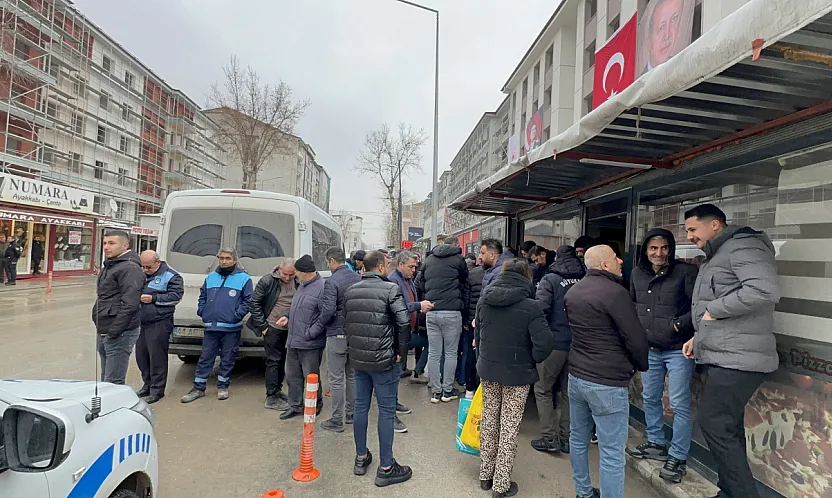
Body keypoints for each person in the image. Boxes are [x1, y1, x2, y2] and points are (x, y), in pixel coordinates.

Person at [682, 204, 780, 498]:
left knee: (713, 423)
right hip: (726, 353)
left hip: (740, 359)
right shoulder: (716, 255)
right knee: (728, 428)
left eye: (692, 229)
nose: (689, 236)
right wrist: (697, 337)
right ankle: (729, 492)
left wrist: (714, 310)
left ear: (714, 225)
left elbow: (764, 290)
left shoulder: (743, 246)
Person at [565, 245, 649, 498]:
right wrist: (640, 365)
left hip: (577, 376)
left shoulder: (573, 292)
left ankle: (583, 492)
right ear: (604, 265)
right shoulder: (616, 293)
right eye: (615, 258)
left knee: (578, 439)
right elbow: (634, 337)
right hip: (608, 382)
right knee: (612, 451)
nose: (620, 261)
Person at [475, 259, 554, 498]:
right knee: (509, 427)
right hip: (517, 375)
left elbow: (479, 335)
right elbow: (545, 344)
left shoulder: (484, 300)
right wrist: (530, 359)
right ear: (527, 278)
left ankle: (485, 476)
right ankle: (501, 485)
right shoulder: (531, 306)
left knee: (490, 420)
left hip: (488, 369)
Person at [626, 229, 698, 483]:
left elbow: (699, 306)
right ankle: (656, 442)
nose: (659, 253)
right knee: (650, 397)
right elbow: (633, 304)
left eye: (664, 248)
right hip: (650, 349)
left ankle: (678, 457)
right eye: (653, 248)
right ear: (645, 250)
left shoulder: (686, 272)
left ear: (671, 250)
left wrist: (678, 325)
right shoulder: (637, 273)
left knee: (678, 404)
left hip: (678, 348)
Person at [344, 250, 413, 487]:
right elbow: (403, 323)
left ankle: (361, 458)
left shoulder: (351, 291)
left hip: (359, 358)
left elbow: (347, 322)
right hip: (384, 361)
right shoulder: (390, 290)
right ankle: (386, 467)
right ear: (382, 267)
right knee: (385, 410)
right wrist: (400, 354)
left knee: (361, 406)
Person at [532, 245, 585, 454]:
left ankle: (549, 438)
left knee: (543, 389)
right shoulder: (586, 278)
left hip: (554, 343)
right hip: (579, 345)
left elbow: (540, 309)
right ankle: (567, 439)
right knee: (568, 393)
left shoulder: (550, 279)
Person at [181, 248, 252, 403]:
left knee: (228, 358)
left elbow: (248, 301)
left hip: (231, 327)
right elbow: (203, 296)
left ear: (234, 260)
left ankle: (223, 386)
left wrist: (236, 315)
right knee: (206, 357)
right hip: (211, 325)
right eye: (221, 258)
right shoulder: (211, 277)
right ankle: (198, 388)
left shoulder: (244, 279)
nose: (224, 261)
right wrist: (202, 311)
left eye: (227, 258)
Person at [415, 236, 470, 403]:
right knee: (451, 353)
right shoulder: (459, 259)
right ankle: (447, 391)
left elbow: (421, 283)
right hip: (452, 311)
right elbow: (464, 282)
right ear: (456, 245)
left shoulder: (429, 259)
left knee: (434, 352)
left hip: (432, 310)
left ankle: (435, 392)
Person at [92, 230, 145, 385]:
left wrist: (114, 332)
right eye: (105, 243)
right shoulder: (111, 265)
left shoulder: (130, 268)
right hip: (104, 329)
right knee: (105, 381)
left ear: (125, 246)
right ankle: (105, 407)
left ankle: (114, 408)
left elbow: (131, 304)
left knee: (113, 382)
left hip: (120, 332)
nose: (106, 247)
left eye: (112, 243)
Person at [279, 255, 328, 420]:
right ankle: (295, 405)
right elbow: (298, 308)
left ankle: (315, 403)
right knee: (292, 375)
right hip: (293, 339)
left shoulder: (322, 287)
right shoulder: (302, 286)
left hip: (310, 342)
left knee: (311, 375)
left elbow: (325, 316)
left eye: (296, 272)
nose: (294, 275)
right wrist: (287, 316)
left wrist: (311, 333)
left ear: (305, 272)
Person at [319, 247, 362, 432]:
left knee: (336, 379)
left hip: (336, 334)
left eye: (328, 263)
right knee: (351, 376)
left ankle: (336, 420)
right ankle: (351, 414)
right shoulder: (358, 279)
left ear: (331, 261)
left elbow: (328, 310)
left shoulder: (332, 281)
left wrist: (320, 324)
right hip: (354, 334)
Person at [247, 259, 297, 411]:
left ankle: (277, 390)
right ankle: (271, 397)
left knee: (284, 361)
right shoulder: (268, 281)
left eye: (291, 275)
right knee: (273, 361)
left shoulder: (298, 281)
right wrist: (263, 326)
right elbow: (254, 303)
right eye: (285, 274)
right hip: (272, 328)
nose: (287, 278)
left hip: (290, 328)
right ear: (279, 270)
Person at [136, 250, 183, 403]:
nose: (145, 270)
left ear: (157, 262)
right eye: (142, 266)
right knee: (142, 357)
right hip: (140, 322)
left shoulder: (172, 276)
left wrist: (154, 298)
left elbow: (175, 297)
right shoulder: (140, 274)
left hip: (159, 322)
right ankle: (147, 385)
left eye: (148, 267)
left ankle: (157, 390)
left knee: (157, 358)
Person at [462, 254, 485, 398]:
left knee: (471, 355)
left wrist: (466, 320)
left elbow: (466, 298)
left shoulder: (472, 274)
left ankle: (469, 389)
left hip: (473, 321)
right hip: (488, 322)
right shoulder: (498, 275)